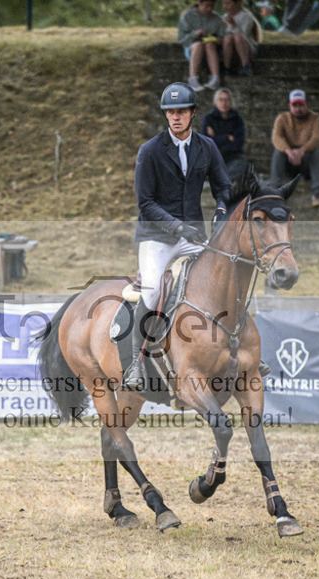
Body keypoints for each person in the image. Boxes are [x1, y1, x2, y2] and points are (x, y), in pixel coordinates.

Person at [124, 82, 232, 391]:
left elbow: (223, 186)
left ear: (193, 113)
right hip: (157, 237)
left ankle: (236, 347)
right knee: (152, 292)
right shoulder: (150, 151)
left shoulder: (206, 147)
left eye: (181, 111)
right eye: (170, 112)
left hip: (193, 235)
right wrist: (176, 227)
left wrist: (221, 209)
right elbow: (145, 203)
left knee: (224, 278)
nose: (175, 117)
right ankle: (135, 362)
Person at [270, 88, 319, 207]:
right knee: (278, 152)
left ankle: (318, 193)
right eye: (295, 105)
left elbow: (317, 138)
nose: (298, 109)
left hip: (306, 163)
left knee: (316, 151)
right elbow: (276, 138)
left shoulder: (315, 118)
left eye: (301, 105)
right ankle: (275, 192)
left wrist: (302, 150)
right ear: (289, 106)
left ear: (306, 105)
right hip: (288, 162)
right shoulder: (282, 118)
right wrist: (289, 152)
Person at [201, 88, 249, 182]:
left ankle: (218, 180)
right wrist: (227, 137)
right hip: (213, 156)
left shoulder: (238, 120)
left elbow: (238, 143)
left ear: (231, 102)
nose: (224, 103)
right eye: (221, 99)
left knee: (243, 163)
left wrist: (215, 137)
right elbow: (207, 142)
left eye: (227, 100)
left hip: (232, 157)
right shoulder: (208, 118)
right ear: (216, 101)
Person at [177, 0, 224, 93]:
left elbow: (222, 35)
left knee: (209, 44)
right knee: (198, 45)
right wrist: (195, 34)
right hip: (192, 47)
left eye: (212, 6)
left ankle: (215, 78)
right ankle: (193, 79)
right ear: (199, 3)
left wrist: (218, 39)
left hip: (211, 49)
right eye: (207, 6)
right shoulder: (187, 16)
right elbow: (181, 39)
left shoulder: (217, 18)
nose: (209, 9)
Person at [221, 0, 260, 76]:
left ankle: (246, 65)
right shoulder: (223, 17)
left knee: (237, 36)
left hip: (247, 48)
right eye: (224, 3)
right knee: (227, 38)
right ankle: (226, 67)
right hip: (230, 49)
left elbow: (244, 36)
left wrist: (234, 24)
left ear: (238, 3)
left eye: (228, 3)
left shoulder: (246, 17)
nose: (225, 6)